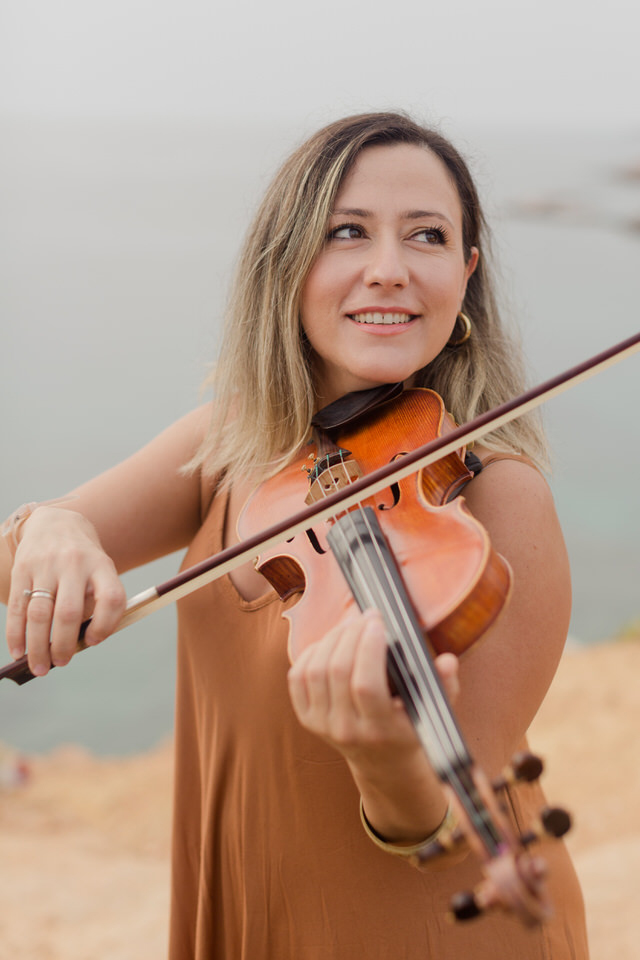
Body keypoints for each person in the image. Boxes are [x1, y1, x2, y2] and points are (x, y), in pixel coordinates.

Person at [1, 112, 589, 958]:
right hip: (245, 910)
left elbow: (445, 819)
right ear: (287, 261)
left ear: (465, 273)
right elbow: (14, 566)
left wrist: (383, 758)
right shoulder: (233, 441)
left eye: (426, 236)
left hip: (426, 932)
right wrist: (50, 525)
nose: (388, 270)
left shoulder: (498, 495)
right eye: (347, 231)